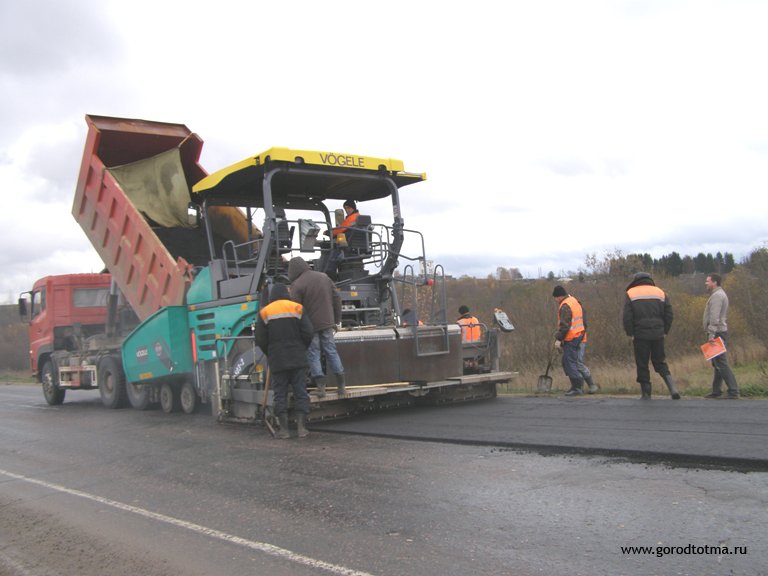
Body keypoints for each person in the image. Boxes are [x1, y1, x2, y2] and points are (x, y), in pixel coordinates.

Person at [254, 283, 314, 439]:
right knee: (300, 392)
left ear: (272, 295)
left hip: (278, 360)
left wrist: (270, 352)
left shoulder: (265, 312)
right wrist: (301, 348)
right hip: (298, 358)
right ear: (287, 294)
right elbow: (309, 333)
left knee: (280, 394)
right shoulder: (297, 308)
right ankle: (301, 429)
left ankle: (284, 430)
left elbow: (260, 339)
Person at [287, 256, 345, 397]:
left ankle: (321, 388)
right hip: (327, 323)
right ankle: (341, 386)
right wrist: (337, 320)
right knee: (331, 351)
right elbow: (337, 298)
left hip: (310, 326)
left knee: (313, 354)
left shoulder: (297, 285)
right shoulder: (324, 277)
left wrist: (296, 329)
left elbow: (295, 309)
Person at [622, 272, 679, 400]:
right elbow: (669, 314)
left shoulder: (631, 293)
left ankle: (646, 393)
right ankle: (673, 389)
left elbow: (627, 317)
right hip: (658, 334)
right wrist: (665, 331)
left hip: (640, 334)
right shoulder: (660, 292)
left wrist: (630, 333)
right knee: (660, 362)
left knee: (642, 363)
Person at [703, 273, 740, 399]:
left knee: (721, 362)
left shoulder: (717, 296)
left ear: (715, 282)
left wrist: (711, 335)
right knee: (716, 362)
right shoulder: (718, 294)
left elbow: (715, 317)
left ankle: (733, 391)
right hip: (718, 332)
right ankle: (716, 390)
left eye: (708, 281)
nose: (706, 283)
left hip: (717, 332)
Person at [552, 286, 587, 396]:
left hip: (571, 338)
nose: (555, 300)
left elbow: (565, 326)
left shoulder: (565, 306)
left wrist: (558, 339)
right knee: (567, 361)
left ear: (559, 296)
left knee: (569, 362)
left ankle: (577, 388)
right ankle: (575, 386)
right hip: (578, 335)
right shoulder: (574, 301)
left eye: (555, 298)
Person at [323, 199, 359, 279]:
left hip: (348, 244)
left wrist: (330, 233)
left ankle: (329, 275)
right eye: (345, 208)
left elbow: (341, 229)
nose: (347, 210)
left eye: (348, 208)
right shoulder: (358, 217)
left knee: (333, 253)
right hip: (355, 244)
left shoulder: (352, 217)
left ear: (353, 207)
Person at [573, 296, 599, 394]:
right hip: (573, 340)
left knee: (578, 363)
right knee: (573, 364)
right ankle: (579, 387)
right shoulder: (573, 309)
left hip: (579, 340)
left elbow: (583, 326)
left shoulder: (579, 310)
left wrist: (578, 339)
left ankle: (592, 385)